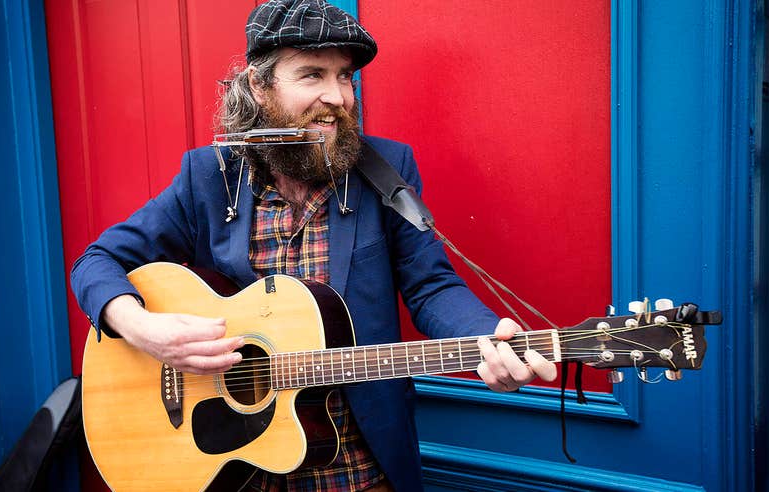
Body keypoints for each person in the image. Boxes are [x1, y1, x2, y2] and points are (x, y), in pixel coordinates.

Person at [70, 0, 557, 490]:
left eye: (344, 76)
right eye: (312, 75)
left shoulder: (385, 171)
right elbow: (98, 260)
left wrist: (486, 339)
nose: (338, 96)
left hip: (357, 470)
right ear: (259, 87)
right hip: (232, 471)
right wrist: (142, 328)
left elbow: (430, 286)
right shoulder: (209, 177)